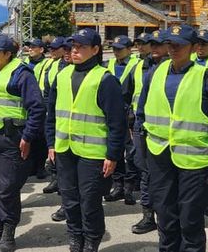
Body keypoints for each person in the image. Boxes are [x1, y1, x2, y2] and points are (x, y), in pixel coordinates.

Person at [135, 25, 208, 252]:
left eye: (180, 45)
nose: (173, 49)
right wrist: (142, 153)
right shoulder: (154, 74)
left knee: (190, 221)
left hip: (195, 162)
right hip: (159, 157)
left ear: (193, 47)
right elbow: (141, 115)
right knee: (165, 217)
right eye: (170, 44)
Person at [45, 28, 127, 252]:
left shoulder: (105, 79)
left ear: (95, 50)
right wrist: (51, 143)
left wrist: (113, 155)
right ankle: (75, 237)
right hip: (65, 149)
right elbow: (51, 114)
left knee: (90, 202)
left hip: (93, 153)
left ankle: (91, 240)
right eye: (73, 46)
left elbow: (116, 122)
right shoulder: (62, 76)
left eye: (81, 47)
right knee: (69, 199)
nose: (75, 51)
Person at [0, 35, 44, 252]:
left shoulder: (20, 73)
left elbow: (37, 107)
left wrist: (28, 136)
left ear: (8, 54)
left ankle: (8, 234)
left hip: (10, 138)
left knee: (7, 189)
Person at [127, 33, 160, 235]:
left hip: (170, 134)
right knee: (146, 174)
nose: (144, 47)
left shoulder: (176, 69)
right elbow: (128, 96)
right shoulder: (139, 68)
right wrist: (134, 123)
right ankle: (148, 216)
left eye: (155, 44)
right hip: (144, 128)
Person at [104, 35, 141, 204]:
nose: (116, 52)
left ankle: (129, 188)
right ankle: (118, 186)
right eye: (114, 49)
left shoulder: (136, 65)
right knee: (115, 150)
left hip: (128, 113)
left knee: (131, 153)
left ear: (129, 49)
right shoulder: (109, 64)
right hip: (111, 112)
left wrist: (133, 113)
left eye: (120, 49)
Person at [40, 37, 71, 199]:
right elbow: (48, 91)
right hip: (55, 114)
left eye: (55, 49)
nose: (52, 51)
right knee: (53, 148)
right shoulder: (52, 65)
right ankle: (55, 178)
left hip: (71, 119)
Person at [23, 38, 50, 180]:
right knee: (29, 135)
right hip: (26, 103)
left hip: (41, 103)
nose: (30, 49)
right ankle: (30, 166)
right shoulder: (24, 62)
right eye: (29, 47)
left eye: (34, 47)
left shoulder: (47, 63)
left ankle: (40, 167)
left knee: (40, 137)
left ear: (41, 49)